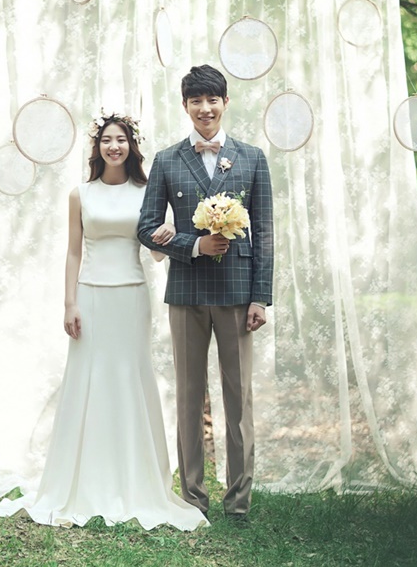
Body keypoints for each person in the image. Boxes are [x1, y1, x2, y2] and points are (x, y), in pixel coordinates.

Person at [0, 112, 208, 531]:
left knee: (129, 379)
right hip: (90, 296)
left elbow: (156, 252)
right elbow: (73, 251)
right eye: (107, 140)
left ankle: (135, 481)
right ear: (97, 147)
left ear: (131, 146)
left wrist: (166, 235)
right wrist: (69, 303)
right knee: (87, 380)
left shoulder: (148, 192)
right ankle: (82, 481)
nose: (114, 146)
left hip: (131, 296)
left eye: (121, 140)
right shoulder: (80, 194)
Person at [137, 65, 274, 522]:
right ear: (185, 106)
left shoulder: (252, 157)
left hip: (237, 292)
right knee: (189, 396)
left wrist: (260, 297)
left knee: (239, 400)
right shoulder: (166, 160)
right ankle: (193, 497)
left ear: (225, 102)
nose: (205, 108)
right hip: (187, 292)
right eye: (196, 100)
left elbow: (265, 233)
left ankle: (238, 502)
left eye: (212, 99)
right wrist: (193, 245)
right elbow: (145, 228)